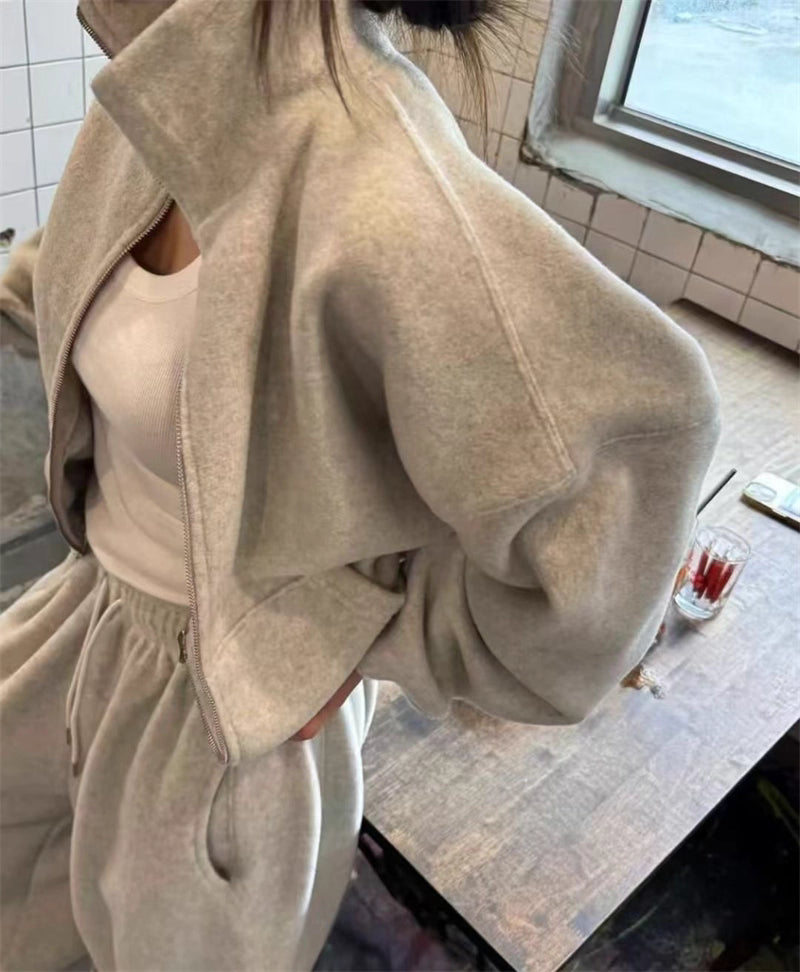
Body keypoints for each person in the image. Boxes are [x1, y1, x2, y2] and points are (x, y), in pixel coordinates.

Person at [0, 0, 722, 968]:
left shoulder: (379, 188)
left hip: (228, 712)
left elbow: (642, 443)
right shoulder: (160, 99)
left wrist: (360, 631)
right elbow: (67, 274)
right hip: (87, 612)